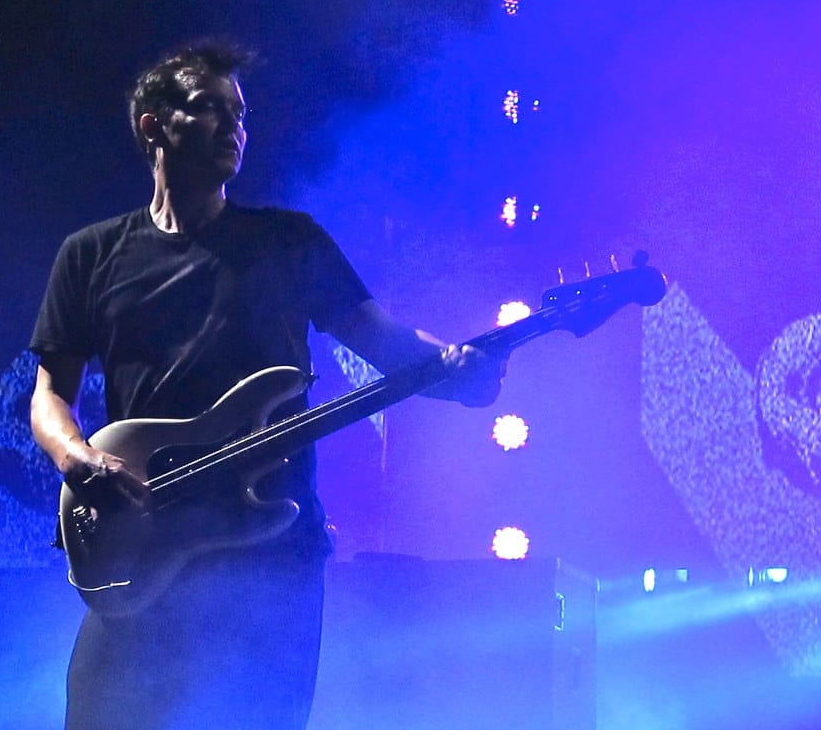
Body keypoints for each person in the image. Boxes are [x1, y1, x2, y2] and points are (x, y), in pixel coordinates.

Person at [29, 40, 506, 730]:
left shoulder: (288, 242)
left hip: (270, 555)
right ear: (153, 126)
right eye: (209, 108)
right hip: (143, 546)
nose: (233, 126)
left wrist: (456, 372)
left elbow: (384, 341)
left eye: (240, 114)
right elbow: (50, 394)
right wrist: (79, 458)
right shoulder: (91, 255)